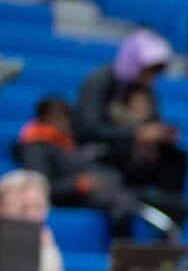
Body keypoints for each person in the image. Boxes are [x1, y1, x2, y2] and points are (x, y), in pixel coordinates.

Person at [73, 29, 188, 230]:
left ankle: (168, 209)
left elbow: (153, 123)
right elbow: (86, 128)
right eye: (149, 69)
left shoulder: (146, 88)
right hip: (101, 157)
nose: (152, 76)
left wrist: (160, 136)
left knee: (177, 157)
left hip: (136, 161)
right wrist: (134, 134)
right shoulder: (101, 80)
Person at [11, 95, 146, 237]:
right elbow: (41, 187)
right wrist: (78, 184)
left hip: (80, 195)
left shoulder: (65, 144)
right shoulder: (35, 147)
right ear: (48, 117)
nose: (68, 122)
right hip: (66, 199)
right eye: (64, 116)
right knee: (120, 204)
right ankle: (123, 250)